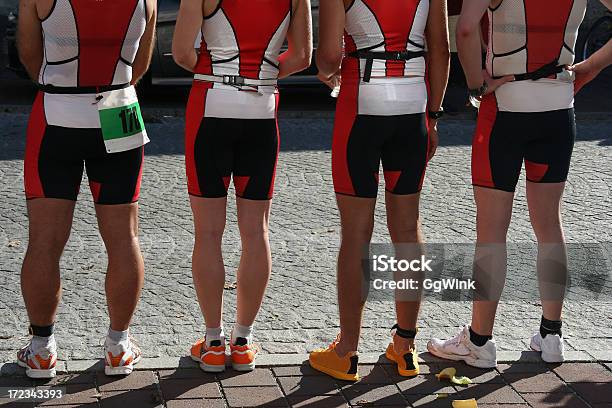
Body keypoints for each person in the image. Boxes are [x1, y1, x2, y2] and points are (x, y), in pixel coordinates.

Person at [428, 0, 612, 367]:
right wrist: (590, 67)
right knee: (549, 224)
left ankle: (479, 342)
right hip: (558, 108)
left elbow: (465, 30)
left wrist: (477, 86)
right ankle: (552, 334)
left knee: (492, 230)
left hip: (505, 107)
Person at [309, 0, 450, 381]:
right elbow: (440, 49)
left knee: (356, 233)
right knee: (407, 228)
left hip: (361, 103)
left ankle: (347, 351)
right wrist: (433, 115)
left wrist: (329, 70)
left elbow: (325, 58)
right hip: (413, 106)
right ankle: (406, 347)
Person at [16, 0, 157, 378]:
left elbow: (29, 57)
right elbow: (141, 63)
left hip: (57, 107)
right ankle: (119, 347)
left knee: (45, 239)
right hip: (119, 104)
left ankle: (42, 350)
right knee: (124, 238)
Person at [172, 0, 312, 373]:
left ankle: (214, 343)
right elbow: (301, 56)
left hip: (210, 102)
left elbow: (182, 52)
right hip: (261, 105)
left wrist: (220, 70)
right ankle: (244, 340)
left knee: (207, 233)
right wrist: (259, 72)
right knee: (255, 231)